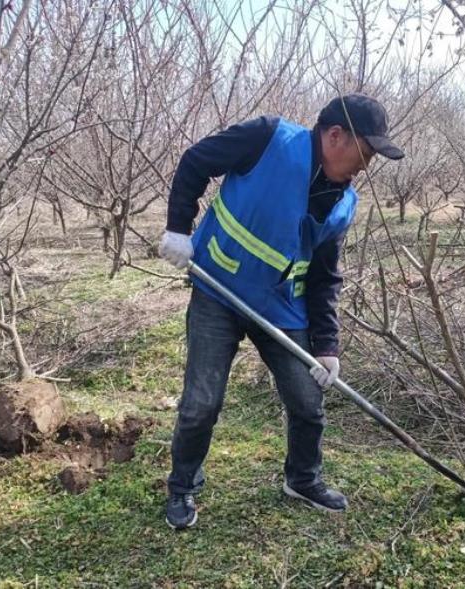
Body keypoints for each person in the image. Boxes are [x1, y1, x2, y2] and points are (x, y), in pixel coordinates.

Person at [159, 94, 404, 529]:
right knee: (201, 403)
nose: (366, 165)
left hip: (280, 308)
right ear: (335, 136)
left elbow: (325, 276)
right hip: (220, 291)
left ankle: (302, 479)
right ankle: (182, 487)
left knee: (308, 401)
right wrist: (178, 228)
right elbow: (196, 160)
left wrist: (327, 346)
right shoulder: (268, 137)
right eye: (366, 152)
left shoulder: (345, 203)